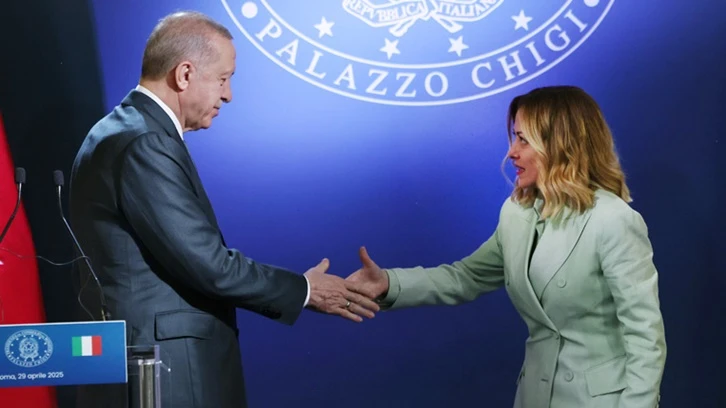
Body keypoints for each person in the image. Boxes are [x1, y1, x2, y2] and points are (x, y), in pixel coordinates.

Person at [69, 11, 379, 408]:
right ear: (184, 74)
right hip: (165, 373)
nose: (228, 94)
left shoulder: (119, 131)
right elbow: (208, 264)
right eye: (222, 78)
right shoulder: (144, 141)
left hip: (143, 363)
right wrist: (304, 290)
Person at [347, 86, 666, 408]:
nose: (511, 152)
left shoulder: (613, 220)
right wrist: (388, 282)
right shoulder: (517, 213)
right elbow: (466, 277)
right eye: (514, 138)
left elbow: (645, 337)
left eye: (523, 140)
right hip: (534, 397)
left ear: (560, 144)